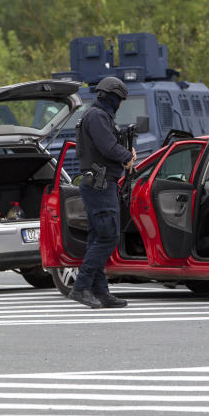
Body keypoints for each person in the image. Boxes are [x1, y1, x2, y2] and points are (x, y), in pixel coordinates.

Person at [69, 76, 136, 309]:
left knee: (98, 237)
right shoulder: (97, 116)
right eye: (120, 100)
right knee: (108, 236)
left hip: (100, 182)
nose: (119, 104)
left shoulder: (97, 115)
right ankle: (81, 286)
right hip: (100, 182)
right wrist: (127, 157)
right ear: (113, 97)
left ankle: (100, 290)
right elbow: (107, 146)